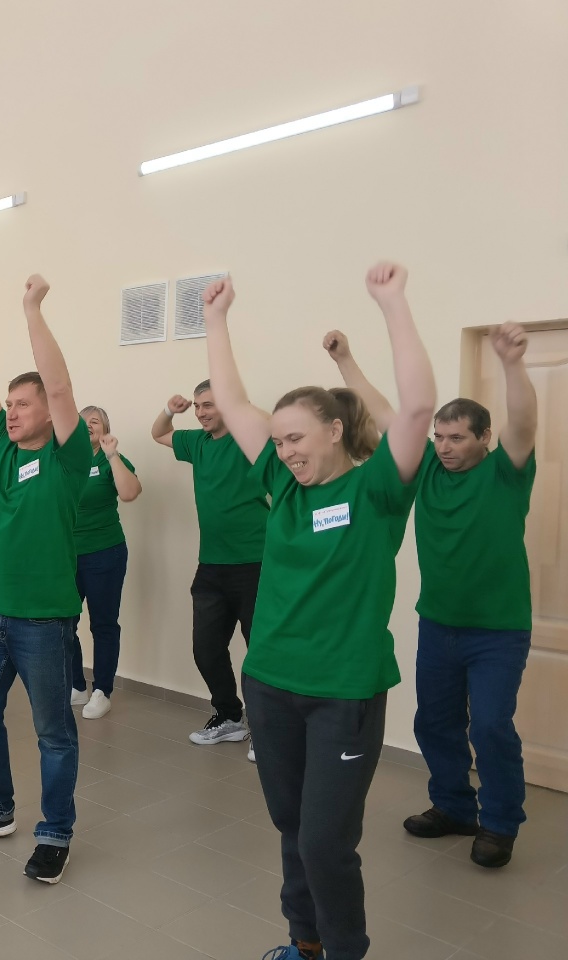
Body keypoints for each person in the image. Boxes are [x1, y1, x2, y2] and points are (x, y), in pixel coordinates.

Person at [203, 264, 435, 960]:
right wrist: (215, 318)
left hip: (343, 692)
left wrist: (392, 304)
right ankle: (304, 943)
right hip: (271, 683)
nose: (285, 451)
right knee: (291, 826)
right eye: (278, 441)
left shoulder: (378, 492)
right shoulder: (281, 483)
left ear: (335, 431)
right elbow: (233, 402)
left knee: (326, 841)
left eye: (297, 439)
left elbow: (417, 410)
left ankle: (344, 951)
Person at [326, 322, 537, 869]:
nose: (444, 447)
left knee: (489, 725)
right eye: (439, 437)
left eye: (457, 438)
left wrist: (512, 364)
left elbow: (523, 420)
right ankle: (453, 806)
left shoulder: (507, 472)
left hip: (498, 630)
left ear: (484, 438)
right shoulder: (424, 468)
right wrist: (345, 360)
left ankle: (499, 823)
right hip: (439, 625)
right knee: (435, 722)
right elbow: (384, 412)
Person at [0, 275, 91, 886]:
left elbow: (60, 384)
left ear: (48, 411)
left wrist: (31, 308)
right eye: (10, 404)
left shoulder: (67, 457)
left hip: (44, 620)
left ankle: (55, 832)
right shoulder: (2, 449)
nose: (11, 410)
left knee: (53, 732)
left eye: (23, 404)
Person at [152, 380, 268, 757]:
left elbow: (271, 426)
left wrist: (239, 404)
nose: (201, 412)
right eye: (198, 405)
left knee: (260, 651)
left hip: (255, 563)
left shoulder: (248, 440)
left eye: (210, 405)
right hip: (212, 566)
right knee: (206, 648)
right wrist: (170, 410)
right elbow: (159, 433)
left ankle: (266, 730)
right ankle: (229, 716)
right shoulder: (197, 443)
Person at [68, 406, 141, 719]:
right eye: (82, 422)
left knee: (103, 624)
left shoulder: (110, 460)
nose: (87, 426)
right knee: (63, 622)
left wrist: (112, 455)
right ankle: (76, 685)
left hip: (105, 553)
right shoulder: (67, 459)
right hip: (67, 555)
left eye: (94, 422)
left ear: (105, 429)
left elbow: (130, 492)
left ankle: (102, 691)